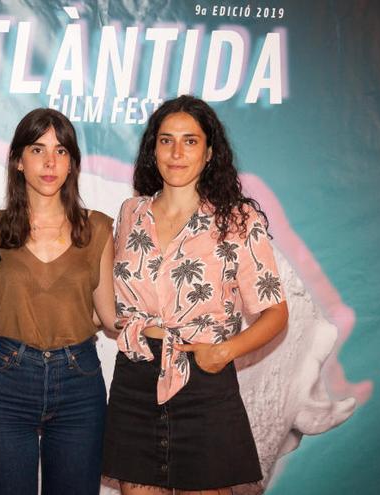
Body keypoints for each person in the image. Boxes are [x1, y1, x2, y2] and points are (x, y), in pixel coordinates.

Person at [102, 95, 289, 494]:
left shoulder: (238, 219)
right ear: (153, 150)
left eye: (190, 141)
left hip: (205, 380)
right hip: (136, 380)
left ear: (209, 152)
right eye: (166, 140)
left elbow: (275, 313)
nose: (176, 152)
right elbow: (110, 298)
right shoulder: (130, 212)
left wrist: (223, 352)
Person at [0, 108, 120, 494]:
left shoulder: (98, 227)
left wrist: (170, 316)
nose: (50, 161)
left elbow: (110, 316)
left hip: (80, 382)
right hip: (7, 381)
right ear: (19, 162)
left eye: (61, 150)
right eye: (38, 150)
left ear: (73, 162)